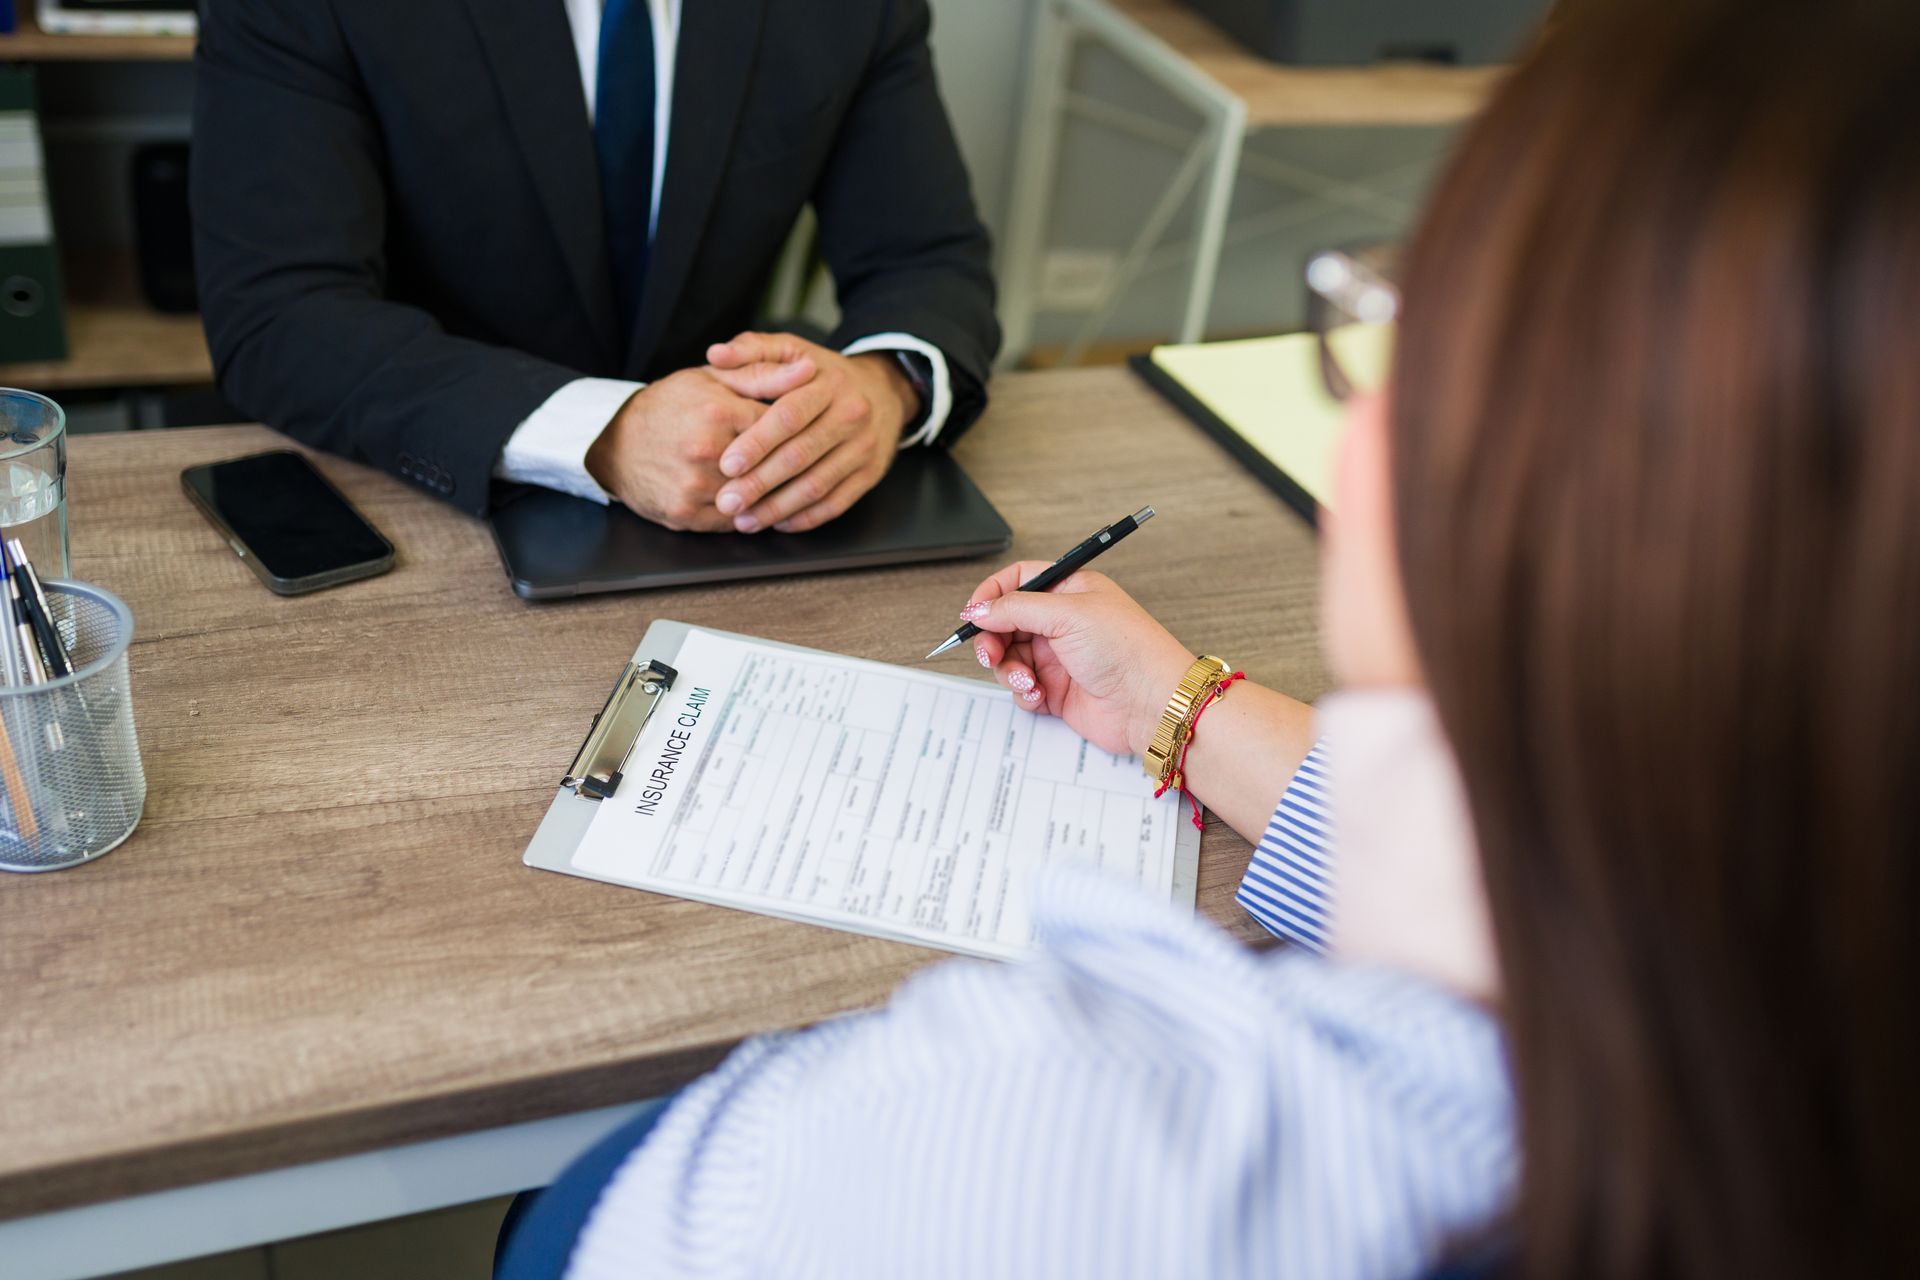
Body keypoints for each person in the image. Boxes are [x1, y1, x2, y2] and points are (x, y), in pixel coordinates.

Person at [497, 0, 1919, 1275]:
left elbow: (581, 1237)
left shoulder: (998, 1141)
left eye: (1404, 322)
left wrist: (887, 382)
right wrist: (1181, 703)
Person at [189, 0, 998, 535]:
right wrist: (605, 433)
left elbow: (925, 256)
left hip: (734, 516)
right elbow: (280, 313)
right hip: (431, 501)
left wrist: (884, 386)